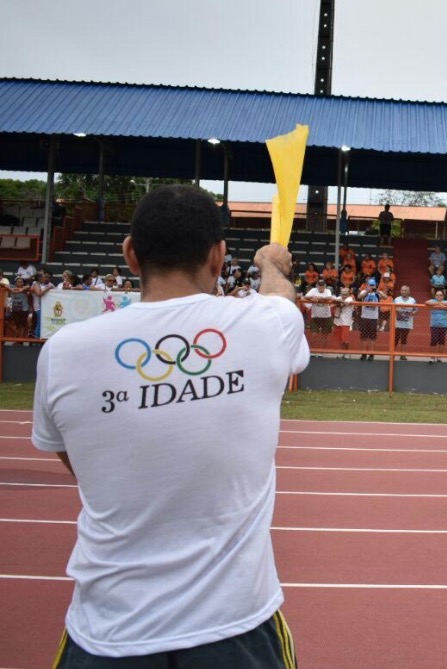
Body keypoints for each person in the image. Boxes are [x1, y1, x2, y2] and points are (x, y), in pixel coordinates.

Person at [32, 185, 307, 667]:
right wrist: (268, 263)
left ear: (131, 254)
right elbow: (283, 296)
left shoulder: (64, 352)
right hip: (236, 628)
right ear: (218, 257)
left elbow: (79, 463)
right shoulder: (264, 326)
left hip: (108, 631)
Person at [357, 278, 384, 360]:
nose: (372, 286)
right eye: (370, 285)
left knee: (372, 337)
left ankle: (372, 354)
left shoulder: (377, 293)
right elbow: (359, 297)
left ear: (375, 285)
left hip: (374, 318)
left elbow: (385, 297)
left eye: (373, 285)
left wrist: (378, 291)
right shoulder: (364, 292)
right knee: (364, 336)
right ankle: (364, 353)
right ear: (367, 285)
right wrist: (367, 291)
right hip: (364, 317)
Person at [426, 289, 447, 363]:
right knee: (434, 339)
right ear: (435, 296)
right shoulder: (432, 301)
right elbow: (426, 302)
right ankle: (432, 357)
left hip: (444, 324)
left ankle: (439, 357)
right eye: (437, 295)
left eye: (440, 295)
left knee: (441, 341)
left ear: (443, 296)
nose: (439, 296)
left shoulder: (446, 302)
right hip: (434, 324)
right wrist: (437, 304)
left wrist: (442, 304)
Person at [393, 285, 417, 360]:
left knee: (404, 338)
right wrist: (397, 310)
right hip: (397, 322)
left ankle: (402, 355)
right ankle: (392, 354)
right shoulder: (396, 299)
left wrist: (412, 313)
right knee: (395, 339)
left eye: (405, 290)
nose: (403, 292)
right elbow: (392, 308)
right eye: (402, 290)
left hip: (407, 323)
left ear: (408, 291)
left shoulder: (412, 300)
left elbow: (416, 310)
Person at [331, 285, 355, 356]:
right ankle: (341, 352)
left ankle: (346, 353)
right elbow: (333, 299)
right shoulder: (340, 297)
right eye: (342, 294)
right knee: (339, 338)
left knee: (345, 339)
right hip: (338, 321)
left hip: (346, 322)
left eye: (345, 294)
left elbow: (345, 303)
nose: (344, 296)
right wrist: (339, 300)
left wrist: (338, 301)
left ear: (348, 294)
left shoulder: (350, 298)